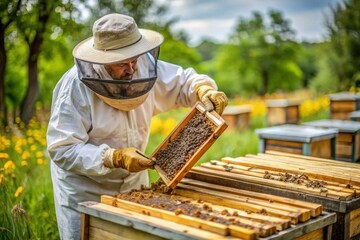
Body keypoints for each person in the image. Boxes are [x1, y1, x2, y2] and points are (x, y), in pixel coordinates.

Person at [47, 13, 228, 239]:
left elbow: (182, 81)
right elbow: (62, 149)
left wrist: (202, 88)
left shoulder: (143, 66)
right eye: (123, 63)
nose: (132, 69)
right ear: (102, 60)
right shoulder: (75, 87)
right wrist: (114, 157)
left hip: (134, 185)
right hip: (87, 191)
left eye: (134, 60)